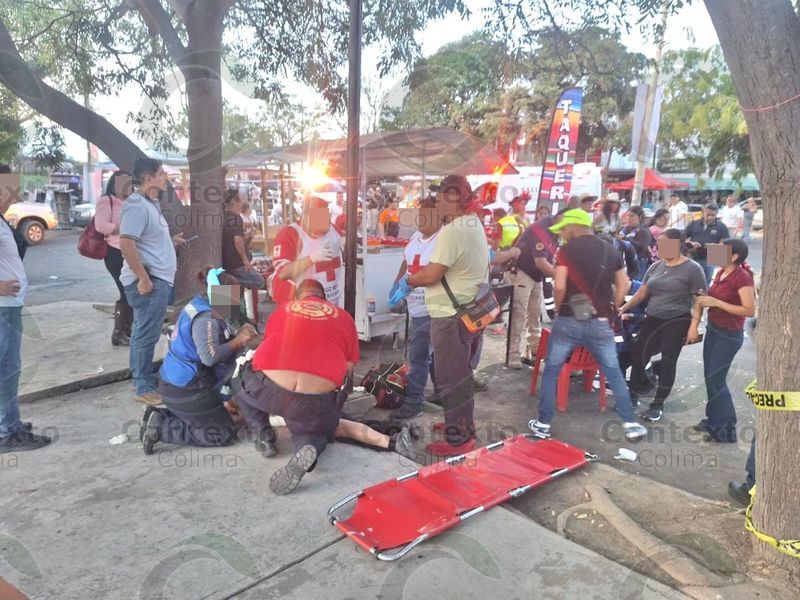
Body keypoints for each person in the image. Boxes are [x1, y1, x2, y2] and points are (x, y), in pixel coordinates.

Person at [234, 280, 414, 495]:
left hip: (268, 390)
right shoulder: (343, 316)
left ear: (298, 298)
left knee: (238, 377)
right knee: (317, 431)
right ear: (324, 300)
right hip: (313, 400)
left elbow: (269, 345)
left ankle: (263, 435)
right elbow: (348, 372)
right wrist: (332, 406)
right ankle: (308, 447)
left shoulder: (283, 310)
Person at [527, 209, 647, 441]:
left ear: (574, 226)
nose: (561, 233)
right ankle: (631, 423)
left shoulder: (566, 250)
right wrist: (612, 306)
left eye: (563, 229)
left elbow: (559, 285)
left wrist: (560, 309)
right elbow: (624, 283)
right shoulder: (611, 250)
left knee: (552, 370)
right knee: (613, 371)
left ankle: (543, 424)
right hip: (601, 322)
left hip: (568, 320)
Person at [398, 174, 489, 456]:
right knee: (459, 373)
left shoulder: (453, 231)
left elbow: (433, 274)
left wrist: (408, 281)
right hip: (467, 310)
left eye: (441, 197)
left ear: (456, 199)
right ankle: (460, 423)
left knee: (452, 377)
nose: (437, 202)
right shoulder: (473, 223)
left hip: (450, 316)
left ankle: (458, 439)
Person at [140, 268, 258, 454]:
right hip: (186, 388)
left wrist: (236, 334)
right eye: (234, 297)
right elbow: (210, 357)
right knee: (222, 433)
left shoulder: (201, 304)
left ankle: (160, 415)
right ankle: (162, 428)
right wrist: (240, 340)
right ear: (219, 294)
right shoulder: (206, 318)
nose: (237, 302)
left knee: (227, 418)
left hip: (179, 383)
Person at [620, 228, 707, 422]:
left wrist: (694, 326)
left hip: (677, 321)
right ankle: (632, 397)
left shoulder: (693, 269)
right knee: (639, 357)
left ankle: (657, 405)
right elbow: (642, 293)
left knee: (668, 362)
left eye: (664, 244)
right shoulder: (656, 266)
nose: (659, 247)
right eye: (658, 244)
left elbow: (699, 300)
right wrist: (623, 308)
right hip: (652, 318)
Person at [120, 158, 187, 406]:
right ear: (148, 178)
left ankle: (143, 379)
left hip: (157, 279)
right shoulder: (136, 204)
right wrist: (143, 277)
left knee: (146, 332)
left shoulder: (151, 204)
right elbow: (126, 243)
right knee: (145, 334)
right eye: (161, 174)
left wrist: (171, 240)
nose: (165, 178)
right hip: (150, 281)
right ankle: (143, 385)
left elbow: (147, 240)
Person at [0, 163, 52, 453]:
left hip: (10, 305)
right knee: (7, 368)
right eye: (12, 184)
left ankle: (10, 423)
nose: (17, 191)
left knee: (8, 366)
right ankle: (8, 431)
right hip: (3, 306)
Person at [690, 238, 756, 442]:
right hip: (714, 330)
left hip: (729, 335)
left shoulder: (741, 277)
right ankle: (713, 420)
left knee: (716, 380)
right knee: (710, 378)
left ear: (734, 256)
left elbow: (749, 309)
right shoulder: (721, 273)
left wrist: (716, 302)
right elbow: (711, 299)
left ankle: (726, 430)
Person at [389, 197, 441, 420]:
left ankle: (413, 403)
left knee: (418, 355)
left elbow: (434, 273)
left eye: (425, 215)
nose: (420, 219)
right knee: (433, 354)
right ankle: (442, 394)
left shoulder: (443, 240)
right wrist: (396, 283)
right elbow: (407, 261)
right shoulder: (416, 237)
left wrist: (407, 284)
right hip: (416, 306)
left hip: (434, 307)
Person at [505, 210, 559, 369]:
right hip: (522, 271)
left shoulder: (555, 230)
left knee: (534, 314)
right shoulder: (541, 229)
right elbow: (541, 262)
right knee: (519, 314)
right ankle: (512, 354)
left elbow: (550, 258)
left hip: (535, 275)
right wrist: (561, 276)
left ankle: (532, 350)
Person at [269, 195, 344, 307]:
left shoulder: (335, 231)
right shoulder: (290, 234)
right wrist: (311, 258)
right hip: (300, 304)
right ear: (305, 216)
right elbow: (283, 273)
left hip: (333, 302)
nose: (321, 231)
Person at [94, 170, 134, 346]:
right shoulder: (107, 201)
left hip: (130, 250)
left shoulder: (130, 202)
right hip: (114, 251)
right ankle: (118, 332)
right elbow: (101, 225)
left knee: (132, 291)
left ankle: (128, 329)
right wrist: (122, 228)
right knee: (126, 291)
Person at [221, 189, 264, 290]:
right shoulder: (235, 217)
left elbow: (234, 238)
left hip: (224, 262)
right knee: (259, 281)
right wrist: (245, 260)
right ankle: (232, 284)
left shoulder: (223, 216)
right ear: (236, 201)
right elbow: (237, 240)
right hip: (235, 262)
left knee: (227, 301)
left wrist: (247, 237)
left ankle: (231, 289)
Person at [685, 203, 730, 284]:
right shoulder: (693, 224)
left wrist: (715, 246)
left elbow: (726, 244)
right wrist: (691, 243)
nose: (710, 217)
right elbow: (682, 239)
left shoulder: (722, 227)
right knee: (690, 279)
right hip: (693, 255)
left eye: (713, 215)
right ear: (703, 212)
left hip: (711, 257)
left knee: (706, 280)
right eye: (708, 214)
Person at [618, 205, 653, 280]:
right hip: (624, 261)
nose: (628, 218)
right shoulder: (623, 229)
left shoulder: (643, 230)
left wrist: (625, 239)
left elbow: (642, 247)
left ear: (640, 217)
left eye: (632, 216)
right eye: (627, 216)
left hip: (638, 262)